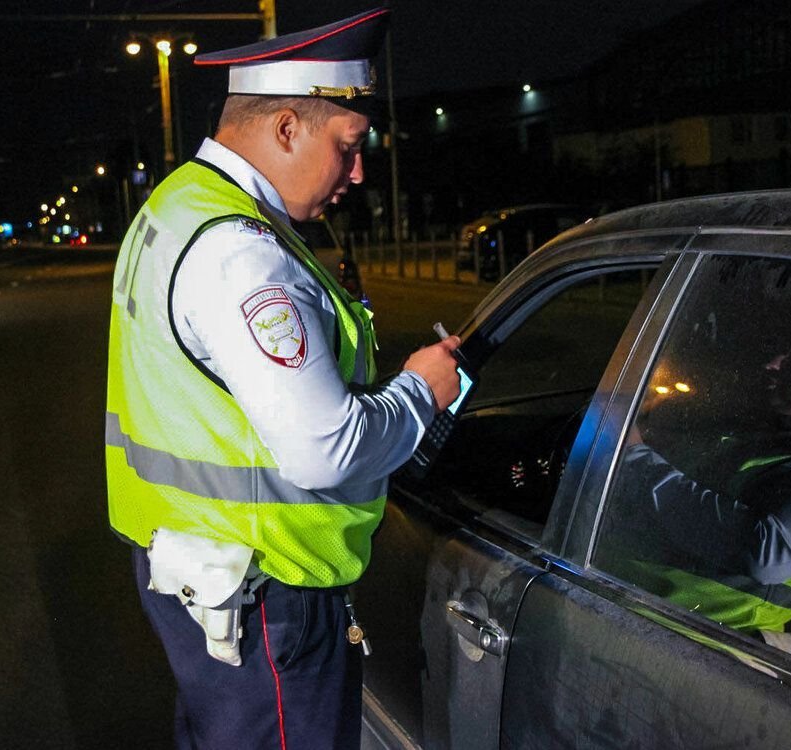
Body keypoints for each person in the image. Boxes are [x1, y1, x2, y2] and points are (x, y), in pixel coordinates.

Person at [103, 9, 461, 749]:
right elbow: (324, 449)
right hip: (270, 597)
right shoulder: (242, 254)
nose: (358, 173)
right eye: (349, 146)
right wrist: (422, 391)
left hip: (205, 574)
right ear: (288, 128)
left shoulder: (176, 206)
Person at [614, 318, 791, 642]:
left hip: (697, 641)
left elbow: (766, 554)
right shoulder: (769, 434)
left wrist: (632, 459)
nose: (775, 365)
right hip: (629, 606)